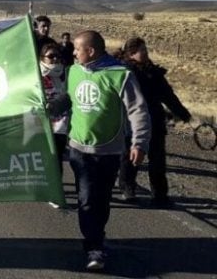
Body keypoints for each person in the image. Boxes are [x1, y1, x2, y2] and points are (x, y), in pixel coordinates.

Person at [66, 30, 150, 271]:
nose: (73, 53)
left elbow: (138, 111)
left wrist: (139, 142)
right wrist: (51, 105)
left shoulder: (120, 75)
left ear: (90, 51)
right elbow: (68, 99)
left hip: (109, 151)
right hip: (78, 150)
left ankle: (97, 237)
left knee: (100, 200)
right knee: (87, 199)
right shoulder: (73, 71)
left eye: (77, 49)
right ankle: (93, 246)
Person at [117, 37, 191, 207]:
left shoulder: (154, 73)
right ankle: (127, 187)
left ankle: (160, 195)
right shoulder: (124, 73)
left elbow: (168, 96)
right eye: (142, 50)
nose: (146, 52)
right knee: (130, 158)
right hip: (132, 122)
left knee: (158, 160)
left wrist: (183, 114)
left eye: (146, 49)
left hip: (155, 121)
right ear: (131, 53)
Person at [39, 42, 69, 206]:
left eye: (57, 56)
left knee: (56, 157)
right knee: (44, 158)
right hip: (39, 123)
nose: (55, 59)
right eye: (51, 56)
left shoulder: (66, 73)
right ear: (42, 58)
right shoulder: (35, 74)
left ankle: (55, 191)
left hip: (61, 123)